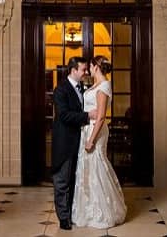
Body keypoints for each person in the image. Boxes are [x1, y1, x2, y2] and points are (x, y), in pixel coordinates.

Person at [72, 55, 127, 228]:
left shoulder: (104, 86)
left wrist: (91, 140)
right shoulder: (96, 84)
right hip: (87, 129)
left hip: (96, 131)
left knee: (97, 165)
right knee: (87, 167)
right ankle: (88, 208)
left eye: (91, 65)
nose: (89, 68)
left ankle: (103, 211)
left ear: (96, 66)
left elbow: (101, 116)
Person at [52, 56, 96, 231]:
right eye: (83, 70)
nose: (86, 73)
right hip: (65, 142)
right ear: (73, 70)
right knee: (62, 181)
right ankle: (63, 218)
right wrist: (88, 116)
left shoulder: (82, 87)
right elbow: (63, 115)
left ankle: (71, 213)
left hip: (79, 141)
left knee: (74, 179)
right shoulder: (60, 90)